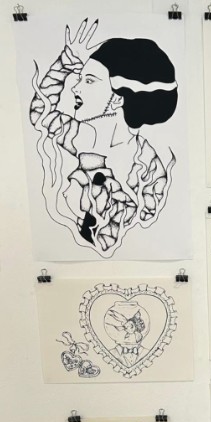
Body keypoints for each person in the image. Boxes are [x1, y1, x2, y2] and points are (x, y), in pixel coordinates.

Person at [30, 19, 178, 256]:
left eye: (89, 80)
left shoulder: (148, 165)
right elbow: (40, 113)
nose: (75, 88)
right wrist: (64, 64)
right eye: (79, 78)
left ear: (118, 98)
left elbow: (147, 223)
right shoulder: (81, 136)